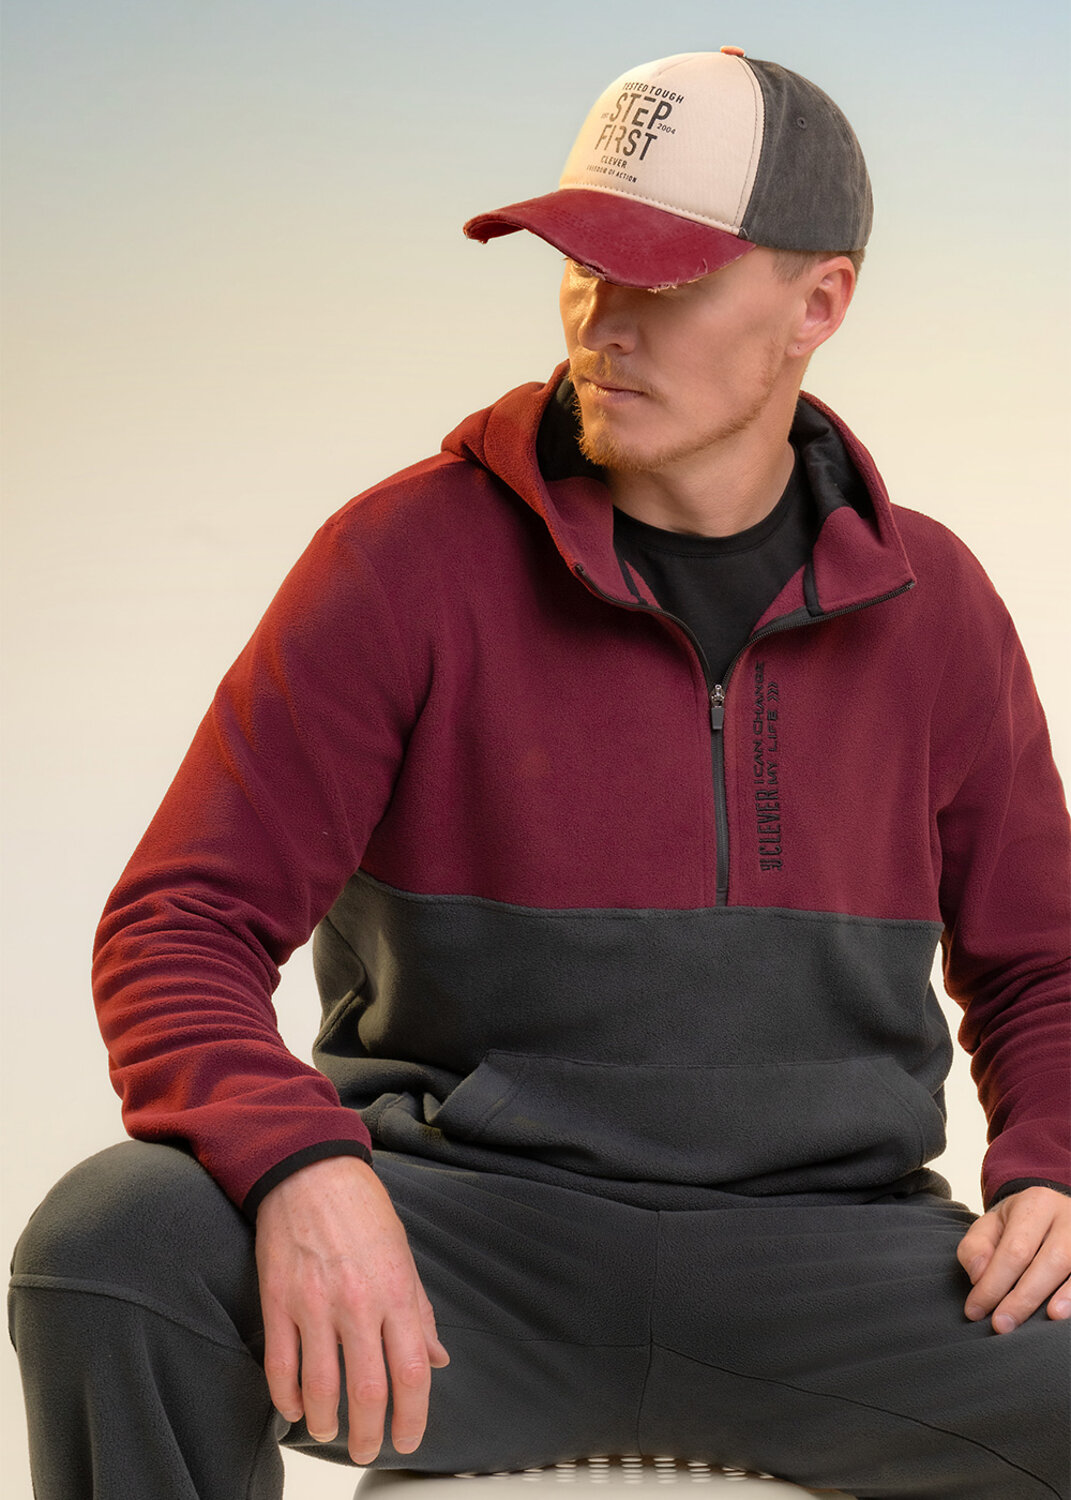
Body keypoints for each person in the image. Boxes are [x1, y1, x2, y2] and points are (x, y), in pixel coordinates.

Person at [9, 46, 1070, 1500]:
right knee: (115, 1249)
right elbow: (178, 922)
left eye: (665, 279)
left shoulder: (933, 607)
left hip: (829, 1271)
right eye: (582, 263)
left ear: (819, 303)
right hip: (458, 1259)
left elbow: (1042, 965)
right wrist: (298, 1162)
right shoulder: (403, 560)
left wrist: (1054, 1162)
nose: (602, 322)